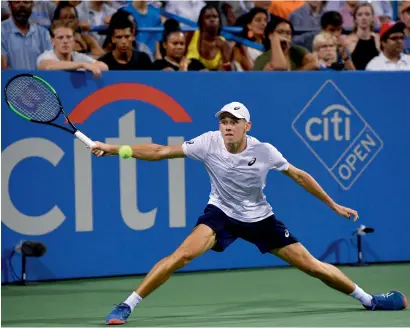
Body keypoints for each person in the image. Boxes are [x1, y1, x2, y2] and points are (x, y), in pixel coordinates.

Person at [90, 102, 408, 325]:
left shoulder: (264, 151)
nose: (227, 126)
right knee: (181, 256)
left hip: (260, 219)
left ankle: (371, 301)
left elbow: (300, 176)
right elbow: (159, 151)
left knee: (312, 266)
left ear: (247, 126)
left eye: (234, 121)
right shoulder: (207, 142)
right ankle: (126, 305)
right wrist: (115, 148)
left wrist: (333, 205)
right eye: (223, 121)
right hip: (221, 214)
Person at [37, 20, 108, 77]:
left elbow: (104, 67)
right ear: (52, 41)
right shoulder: (46, 56)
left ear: (74, 39)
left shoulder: (78, 56)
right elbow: (48, 67)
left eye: (68, 37)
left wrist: (84, 65)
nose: (65, 41)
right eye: (60, 37)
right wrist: (83, 65)